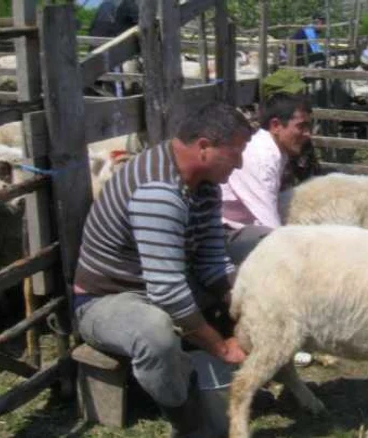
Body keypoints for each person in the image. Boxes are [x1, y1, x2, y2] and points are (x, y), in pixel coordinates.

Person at [73, 101, 253, 438]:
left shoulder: (205, 185)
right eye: (236, 153)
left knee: (253, 272)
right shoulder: (159, 190)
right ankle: (187, 421)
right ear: (204, 147)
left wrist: (245, 301)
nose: (241, 164)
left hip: (163, 282)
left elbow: (213, 260)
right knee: (155, 335)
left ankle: (202, 378)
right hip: (108, 299)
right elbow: (168, 293)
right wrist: (222, 347)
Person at [221, 93, 314, 366]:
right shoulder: (260, 156)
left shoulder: (273, 151)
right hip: (222, 233)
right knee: (283, 258)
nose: (307, 134)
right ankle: (278, 337)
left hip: (239, 227)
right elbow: (269, 225)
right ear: (276, 125)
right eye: (301, 126)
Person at [87, 0, 139, 97]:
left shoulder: (106, 3)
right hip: (112, 49)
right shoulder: (128, 4)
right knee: (117, 86)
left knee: (94, 84)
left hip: (95, 49)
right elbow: (143, 24)